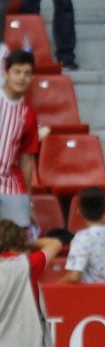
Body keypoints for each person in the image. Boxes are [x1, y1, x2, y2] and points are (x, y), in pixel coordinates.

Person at [0, 50, 40, 233]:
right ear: (6, 72)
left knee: (19, 239)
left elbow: (26, 159)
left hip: (10, 183)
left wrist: (28, 200)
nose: (21, 78)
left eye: (27, 73)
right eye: (17, 72)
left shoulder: (28, 114)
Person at [61, 187, 105, 284]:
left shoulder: (82, 238)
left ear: (80, 210)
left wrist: (57, 284)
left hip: (95, 295)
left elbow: (74, 276)